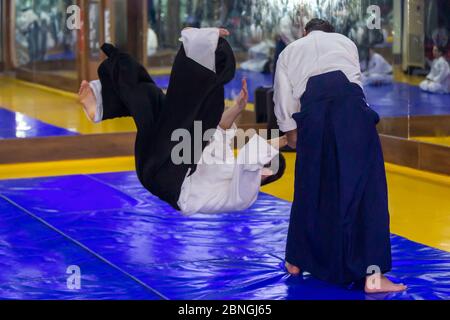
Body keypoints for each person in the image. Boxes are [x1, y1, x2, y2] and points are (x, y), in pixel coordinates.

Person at [79, 27, 286, 215]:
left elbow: (250, 159)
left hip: (173, 179)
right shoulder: (229, 168)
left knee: (203, 109)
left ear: (267, 171)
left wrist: (286, 140)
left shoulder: (246, 195)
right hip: (159, 167)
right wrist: (238, 107)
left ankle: (198, 50)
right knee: (154, 101)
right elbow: (219, 133)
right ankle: (101, 103)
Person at [274, 18, 407, 293]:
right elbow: (356, 85)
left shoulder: (290, 51)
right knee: (366, 190)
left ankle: (296, 261)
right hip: (351, 113)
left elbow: (283, 100)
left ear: (304, 32)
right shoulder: (346, 42)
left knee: (310, 186)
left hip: (312, 114)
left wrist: (292, 134)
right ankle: (373, 276)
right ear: (331, 33)